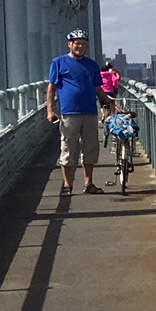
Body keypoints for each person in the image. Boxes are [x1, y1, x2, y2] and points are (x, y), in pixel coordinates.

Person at [47, 29, 104, 195]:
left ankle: (89, 183)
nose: (80, 47)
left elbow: (97, 88)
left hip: (90, 112)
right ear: (69, 44)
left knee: (90, 149)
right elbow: (51, 88)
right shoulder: (58, 63)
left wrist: (108, 101)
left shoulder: (92, 65)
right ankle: (67, 185)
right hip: (69, 113)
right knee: (68, 149)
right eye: (77, 44)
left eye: (83, 44)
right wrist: (50, 110)